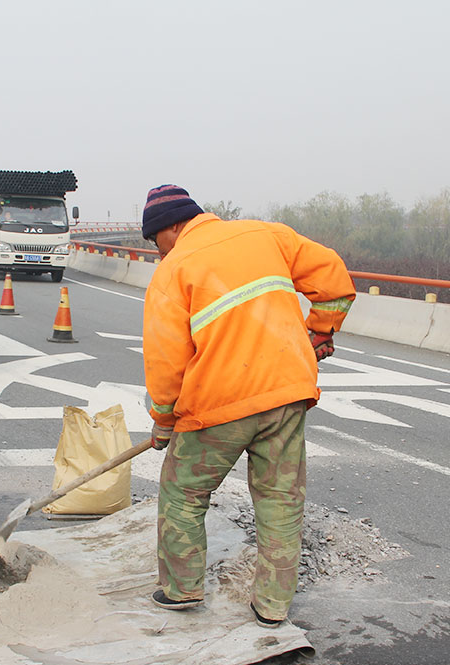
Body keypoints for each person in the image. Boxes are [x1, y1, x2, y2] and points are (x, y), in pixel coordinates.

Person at [141, 184, 356, 627]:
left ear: (171, 227)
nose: (156, 252)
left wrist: (163, 421)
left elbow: (165, 364)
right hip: (287, 394)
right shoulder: (267, 234)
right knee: (281, 499)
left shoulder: (173, 270)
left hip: (218, 406)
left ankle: (182, 590)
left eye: (154, 241)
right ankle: (272, 605)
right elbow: (334, 279)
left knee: (183, 493)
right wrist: (321, 331)